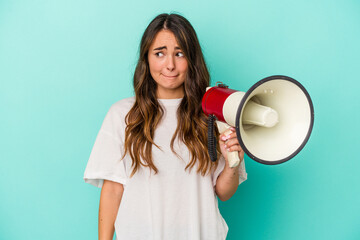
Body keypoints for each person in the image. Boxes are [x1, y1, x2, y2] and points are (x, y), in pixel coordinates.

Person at [84, 13, 247, 240]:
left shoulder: (212, 114)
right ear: (147, 58)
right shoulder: (122, 115)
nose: (170, 65)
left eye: (179, 54)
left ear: (192, 59)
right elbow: (112, 191)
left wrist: (232, 163)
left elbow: (223, 192)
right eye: (159, 53)